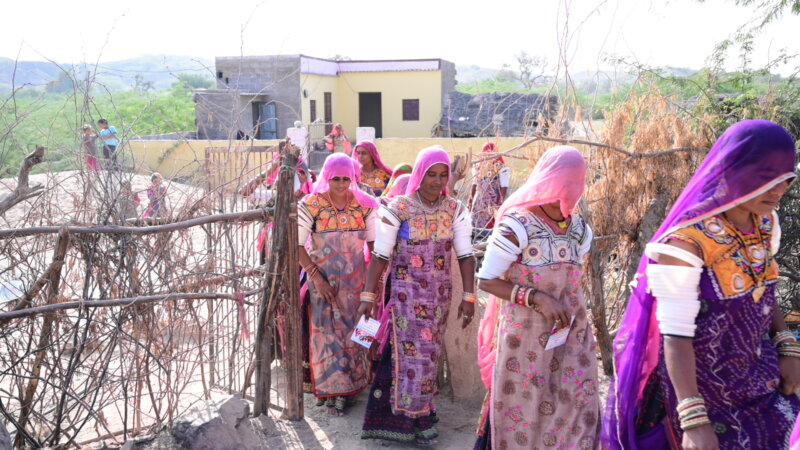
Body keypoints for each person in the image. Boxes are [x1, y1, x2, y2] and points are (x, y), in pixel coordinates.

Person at [602, 119, 800, 450]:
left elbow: (764, 285)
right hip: (706, 388)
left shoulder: (765, 222)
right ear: (734, 169)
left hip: (760, 373)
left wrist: (787, 347)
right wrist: (694, 421)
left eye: (786, 179)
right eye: (768, 179)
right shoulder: (684, 244)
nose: (778, 191)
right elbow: (676, 337)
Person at [474, 145, 598, 450]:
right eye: (567, 178)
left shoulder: (580, 230)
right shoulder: (517, 226)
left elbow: (574, 284)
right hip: (525, 344)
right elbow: (487, 281)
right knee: (525, 412)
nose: (573, 186)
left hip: (572, 337)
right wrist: (536, 297)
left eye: (577, 179)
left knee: (579, 407)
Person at [358, 145, 476, 446]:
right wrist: (369, 296)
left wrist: (469, 296)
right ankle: (411, 418)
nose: (437, 181)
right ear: (420, 175)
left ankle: (422, 409)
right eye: (431, 174)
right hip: (405, 296)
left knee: (430, 354)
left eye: (442, 175)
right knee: (412, 354)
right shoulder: (399, 208)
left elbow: (465, 256)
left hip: (438, 298)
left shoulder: (456, 210)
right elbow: (381, 256)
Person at [298, 153, 379, 416]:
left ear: (353, 178)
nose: (342, 184)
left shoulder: (366, 205)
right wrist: (317, 278)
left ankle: (357, 385)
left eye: (347, 178)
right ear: (327, 177)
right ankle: (331, 390)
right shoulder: (311, 205)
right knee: (326, 335)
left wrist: (372, 286)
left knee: (360, 332)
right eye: (336, 179)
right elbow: (298, 246)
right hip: (324, 285)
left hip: (359, 283)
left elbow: (374, 247)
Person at [470, 142, 511, 230]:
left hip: (493, 200)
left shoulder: (502, 167)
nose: (488, 156)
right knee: (476, 222)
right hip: (479, 201)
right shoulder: (478, 166)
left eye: (491, 153)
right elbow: (474, 183)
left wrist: (500, 203)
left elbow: (504, 186)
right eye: (486, 153)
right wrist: (470, 199)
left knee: (491, 222)